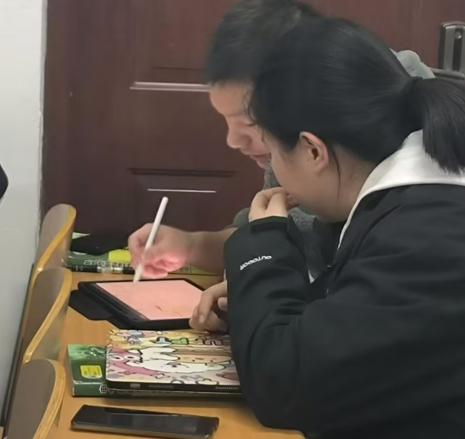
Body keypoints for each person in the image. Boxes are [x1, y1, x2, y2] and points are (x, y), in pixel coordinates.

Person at [222, 17, 465, 439]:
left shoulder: (443, 235)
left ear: (312, 150)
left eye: (272, 152)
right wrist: (251, 306)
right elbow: (347, 328)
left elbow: (283, 384)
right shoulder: (428, 207)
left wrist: (264, 245)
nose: (273, 168)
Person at [127, 0, 435, 331]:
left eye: (250, 124)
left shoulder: (412, 205)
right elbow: (269, 241)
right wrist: (193, 246)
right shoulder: (295, 148)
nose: (233, 140)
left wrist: (262, 299)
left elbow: (343, 324)